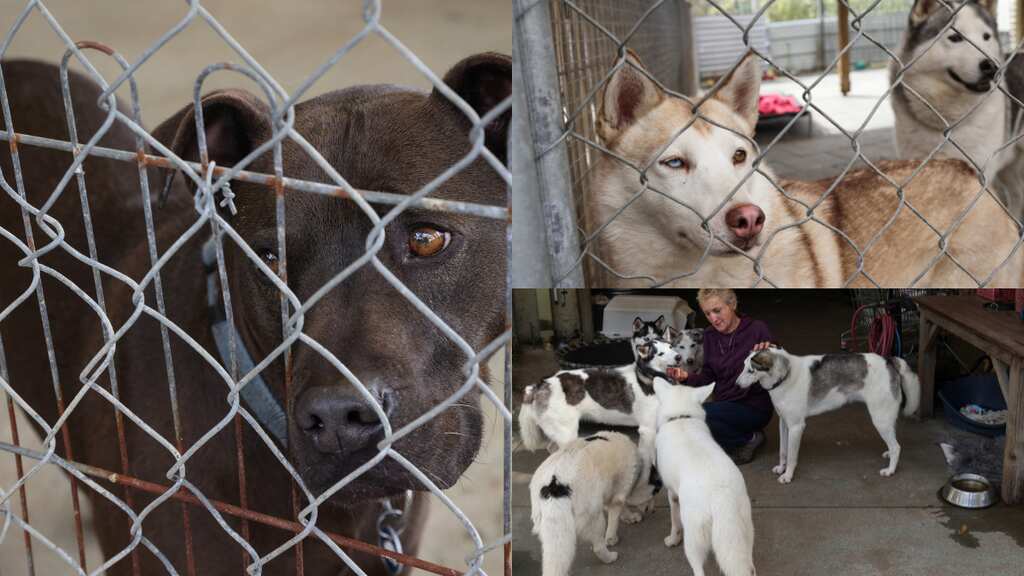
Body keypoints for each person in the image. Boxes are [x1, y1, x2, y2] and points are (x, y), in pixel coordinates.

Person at [668, 289, 774, 464]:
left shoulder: (756, 329)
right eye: (707, 313)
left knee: (701, 415)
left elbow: (778, 367)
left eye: (717, 310)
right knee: (690, 419)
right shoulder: (710, 335)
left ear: (732, 304)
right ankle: (740, 434)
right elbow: (708, 376)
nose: (713, 318)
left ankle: (748, 439)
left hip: (754, 406)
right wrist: (686, 377)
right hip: (725, 404)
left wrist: (770, 354)